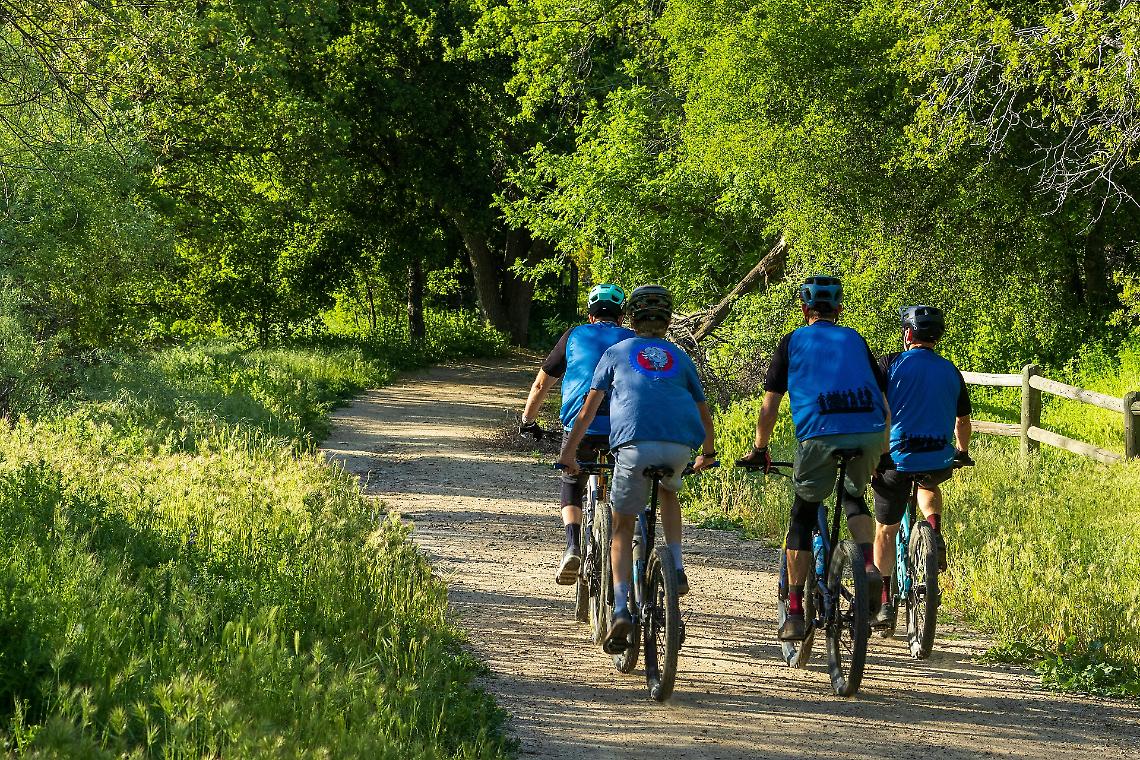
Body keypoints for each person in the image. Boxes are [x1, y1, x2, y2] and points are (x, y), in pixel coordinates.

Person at [558, 285, 717, 652]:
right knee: (668, 491)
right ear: (667, 321)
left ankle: (620, 611)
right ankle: (675, 565)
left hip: (631, 446)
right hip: (678, 446)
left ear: (632, 318)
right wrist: (707, 452)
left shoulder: (615, 352)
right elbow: (703, 411)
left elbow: (587, 410)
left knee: (622, 525)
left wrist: (569, 452)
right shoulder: (679, 356)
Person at [736, 275, 888, 641]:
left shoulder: (792, 342)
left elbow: (770, 406)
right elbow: (882, 399)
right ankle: (867, 563)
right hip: (868, 429)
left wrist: (760, 448)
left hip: (819, 436)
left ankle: (793, 609)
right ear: (838, 310)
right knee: (853, 496)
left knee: (803, 516)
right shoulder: (855, 338)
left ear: (804, 309)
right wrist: (882, 450)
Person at [520, 283, 635, 585]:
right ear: (621, 317)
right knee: (627, 480)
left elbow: (541, 385)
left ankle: (572, 545)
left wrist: (528, 419)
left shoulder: (574, 335)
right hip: (624, 428)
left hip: (579, 428)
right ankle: (630, 545)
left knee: (571, 480)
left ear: (590, 315)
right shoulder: (634, 340)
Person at [869, 305, 973, 630]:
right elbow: (963, 421)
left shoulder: (890, 364)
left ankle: (884, 602)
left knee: (885, 530)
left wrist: (875, 452)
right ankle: (934, 531)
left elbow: (876, 409)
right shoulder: (950, 370)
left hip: (897, 459)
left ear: (907, 334)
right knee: (929, 483)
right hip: (938, 458)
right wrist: (962, 451)